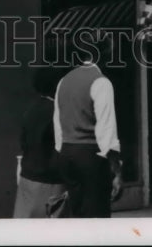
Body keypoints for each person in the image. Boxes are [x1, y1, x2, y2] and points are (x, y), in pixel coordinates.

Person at [53, 28, 123, 218]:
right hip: (90, 156)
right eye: (110, 50)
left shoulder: (64, 81)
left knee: (77, 214)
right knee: (97, 214)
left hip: (67, 153)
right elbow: (106, 130)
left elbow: (58, 123)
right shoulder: (101, 82)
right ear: (103, 52)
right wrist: (116, 171)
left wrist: (63, 150)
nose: (112, 55)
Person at [12, 67, 67, 218]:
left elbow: (24, 143)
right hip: (50, 181)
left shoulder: (31, 110)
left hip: (27, 177)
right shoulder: (58, 112)